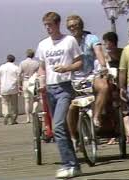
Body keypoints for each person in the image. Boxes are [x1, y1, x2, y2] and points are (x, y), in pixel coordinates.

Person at [35, 11, 83, 178]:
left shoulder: (69, 41)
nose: (48, 28)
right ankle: (74, 164)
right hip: (50, 88)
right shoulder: (43, 45)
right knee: (60, 129)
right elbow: (41, 66)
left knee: (58, 126)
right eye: (46, 25)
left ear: (57, 24)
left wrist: (66, 68)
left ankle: (67, 164)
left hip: (65, 87)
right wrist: (42, 81)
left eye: (50, 25)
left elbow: (79, 62)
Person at [65, 15, 109, 148]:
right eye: (70, 26)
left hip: (90, 75)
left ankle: (96, 117)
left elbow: (99, 52)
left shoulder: (91, 38)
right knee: (71, 107)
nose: (73, 28)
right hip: (73, 78)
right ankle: (73, 137)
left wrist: (103, 67)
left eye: (75, 25)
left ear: (81, 25)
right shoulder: (68, 41)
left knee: (104, 87)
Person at [102, 31, 129, 145]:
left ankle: (128, 133)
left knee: (125, 108)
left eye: (107, 43)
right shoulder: (107, 56)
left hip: (122, 84)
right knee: (116, 109)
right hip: (112, 85)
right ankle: (121, 134)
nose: (106, 46)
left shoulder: (121, 53)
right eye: (105, 43)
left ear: (112, 43)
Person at [0, 54, 20, 125]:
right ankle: (13, 119)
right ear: (14, 60)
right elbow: (19, 78)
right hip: (13, 88)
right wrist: (19, 87)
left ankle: (6, 114)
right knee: (14, 105)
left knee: (4, 103)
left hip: (4, 88)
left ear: (7, 59)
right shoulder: (16, 67)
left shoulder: (2, 67)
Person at [18, 49, 39, 123]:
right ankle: (33, 110)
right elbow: (39, 74)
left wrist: (19, 84)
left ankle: (27, 118)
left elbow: (19, 74)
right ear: (33, 55)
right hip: (33, 82)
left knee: (26, 101)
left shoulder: (22, 63)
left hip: (25, 82)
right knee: (35, 99)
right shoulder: (36, 63)